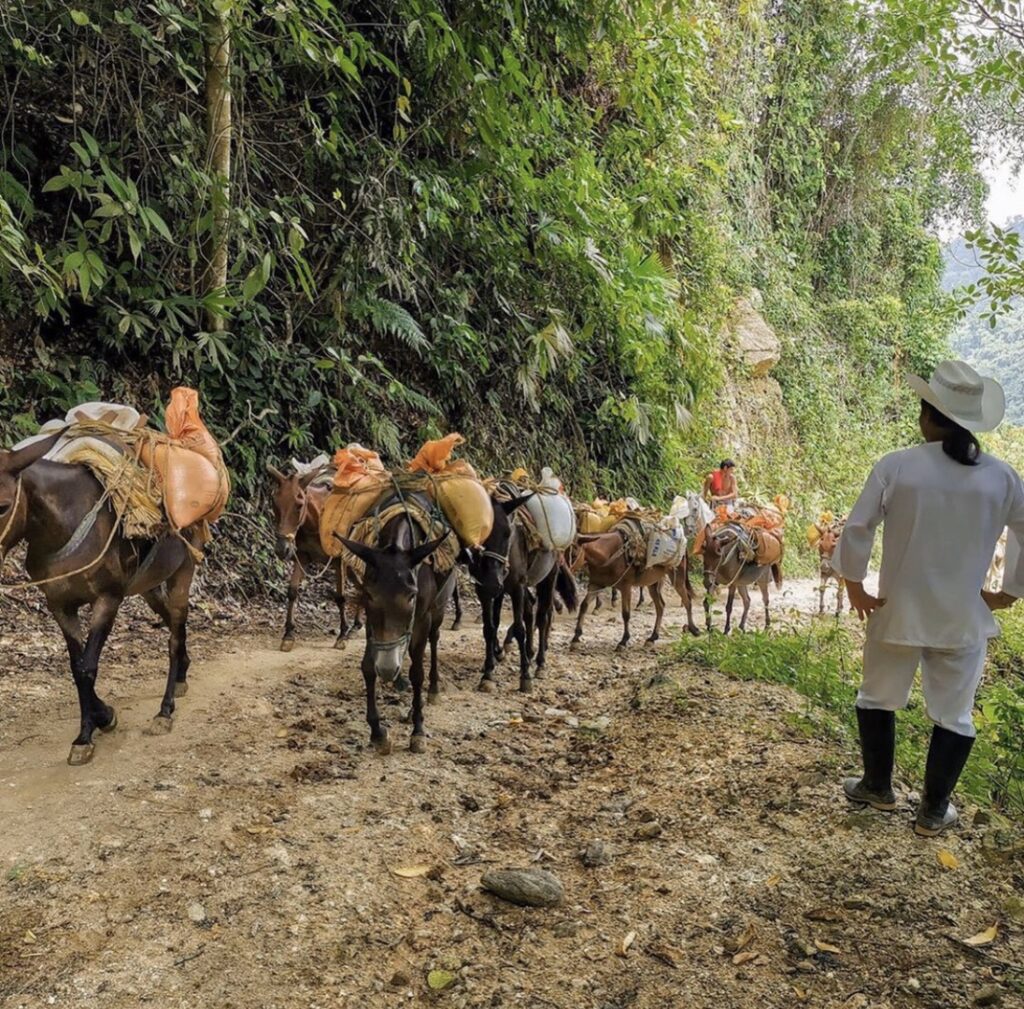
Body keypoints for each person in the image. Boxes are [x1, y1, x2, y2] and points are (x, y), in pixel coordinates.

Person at [833, 360, 1024, 836]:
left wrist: (854, 583)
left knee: (877, 695)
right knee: (955, 713)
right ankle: (933, 812)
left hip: (897, 609)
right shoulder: (1002, 477)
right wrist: (1009, 592)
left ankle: (877, 787)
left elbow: (858, 527)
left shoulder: (898, 465)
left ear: (927, 416)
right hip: (963, 618)